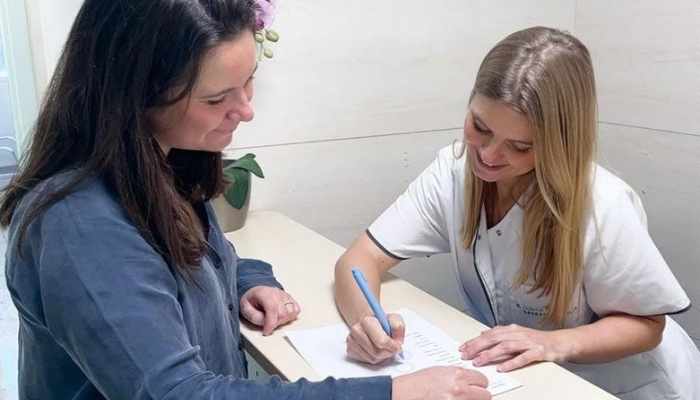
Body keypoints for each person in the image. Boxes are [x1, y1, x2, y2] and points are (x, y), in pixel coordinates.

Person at [0, 1, 491, 399]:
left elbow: (208, 260)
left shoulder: (161, 164)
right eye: (217, 100)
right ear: (135, 95)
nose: (246, 110)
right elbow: (178, 394)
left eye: (248, 80)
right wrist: (390, 394)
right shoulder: (80, 226)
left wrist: (246, 283)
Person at [334, 26, 700, 400]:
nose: (489, 155)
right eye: (480, 127)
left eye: (520, 146)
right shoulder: (453, 173)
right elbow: (359, 260)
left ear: (559, 143)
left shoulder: (602, 203)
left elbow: (647, 325)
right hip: (535, 384)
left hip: (629, 388)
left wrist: (554, 343)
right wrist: (367, 324)